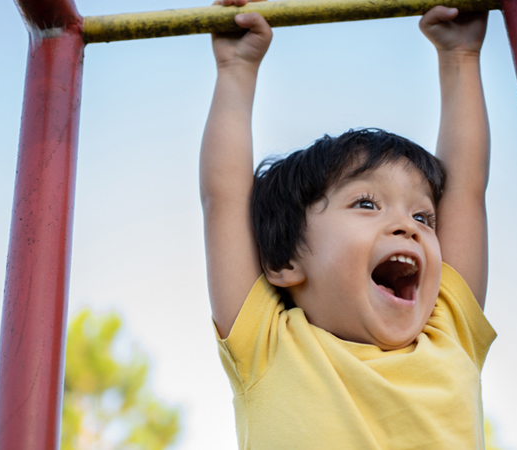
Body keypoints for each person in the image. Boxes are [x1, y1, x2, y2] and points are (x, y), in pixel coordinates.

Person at [200, 0, 495, 448]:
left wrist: (460, 58)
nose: (407, 226)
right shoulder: (270, 347)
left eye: (422, 216)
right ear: (285, 261)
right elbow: (223, 199)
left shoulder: (449, 332)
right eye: (366, 203)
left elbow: (466, 188)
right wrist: (236, 68)